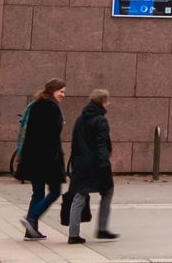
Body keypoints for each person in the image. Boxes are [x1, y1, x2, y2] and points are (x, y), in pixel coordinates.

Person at [14, 79, 66, 240]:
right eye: (61, 91)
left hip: (32, 157)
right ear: (52, 91)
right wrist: (55, 157)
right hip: (48, 159)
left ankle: (31, 231)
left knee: (37, 193)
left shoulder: (36, 104)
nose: (63, 95)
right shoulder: (51, 107)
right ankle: (31, 217)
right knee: (55, 191)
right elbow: (50, 136)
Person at [65, 88, 117, 245]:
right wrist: (104, 164)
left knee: (79, 196)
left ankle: (73, 234)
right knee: (107, 191)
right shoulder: (101, 120)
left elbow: (75, 143)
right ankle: (102, 229)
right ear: (103, 102)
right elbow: (101, 145)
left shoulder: (80, 119)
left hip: (81, 164)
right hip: (96, 165)